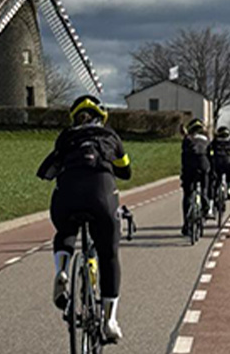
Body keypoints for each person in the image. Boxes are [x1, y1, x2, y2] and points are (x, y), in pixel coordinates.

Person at [37, 95, 131, 342]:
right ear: (101, 117)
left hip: (67, 192)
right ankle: (110, 320)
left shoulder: (67, 137)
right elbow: (126, 170)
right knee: (109, 253)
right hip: (101, 191)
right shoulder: (110, 136)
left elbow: (47, 171)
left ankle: (63, 270)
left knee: (65, 231)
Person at [181, 118, 213, 233]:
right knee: (204, 189)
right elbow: (210, 155)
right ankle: (206, 209)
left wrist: (183, 174)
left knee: (188, 194)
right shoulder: (206, 140)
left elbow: (183, 157)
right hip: (203, 166)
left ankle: (186, 224)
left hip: (189, 167)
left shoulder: (187, 139)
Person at [210, 126, 230, 201]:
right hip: (228, 162)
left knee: (216, 177)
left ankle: (215, 193)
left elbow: (210, 151)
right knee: (229, 175)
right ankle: (229, 189)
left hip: (217, 162)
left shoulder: (215, 141)